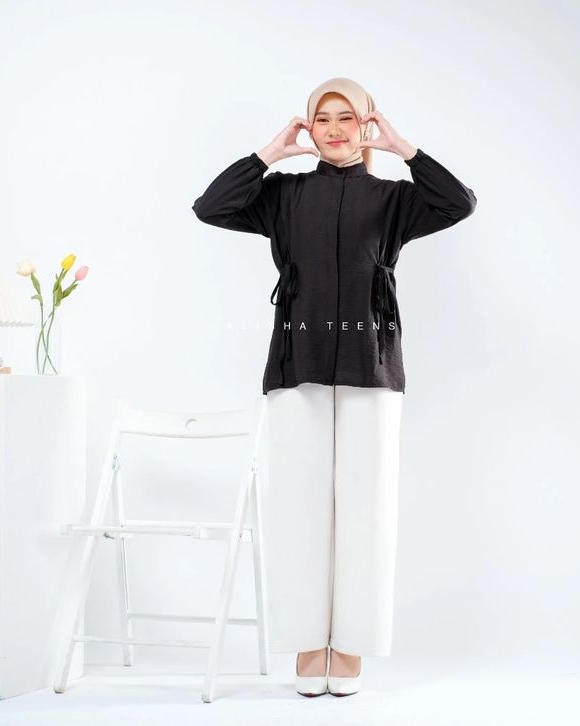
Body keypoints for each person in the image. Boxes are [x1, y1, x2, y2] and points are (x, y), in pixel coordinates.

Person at [192, 77, 477, 697]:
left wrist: (404, 149)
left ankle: (350, 643)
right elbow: (210, 207)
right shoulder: (283, 195)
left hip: (371, 362)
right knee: (299, 507)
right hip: (298, 361)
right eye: (322, 118)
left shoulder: (393, 199)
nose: (335, 129)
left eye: (348, 117)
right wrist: (269, 155)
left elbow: (458, 203)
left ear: (367, 124)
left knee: (366, 508)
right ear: (308, 127)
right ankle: (307, 640)